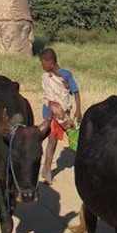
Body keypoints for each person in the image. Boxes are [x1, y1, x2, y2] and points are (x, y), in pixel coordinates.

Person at [39, 47, 82, 184]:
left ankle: (46, 169)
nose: (42, 66)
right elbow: (47, 95)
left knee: (71, 137)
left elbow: (76, 92)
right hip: (49, 112)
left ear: (50, 62)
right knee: (51, 141)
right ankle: (47, 173)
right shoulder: (46, 76)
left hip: (62, 113)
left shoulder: (65, 75)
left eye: (43, 62)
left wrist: (78, 110)